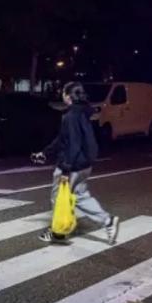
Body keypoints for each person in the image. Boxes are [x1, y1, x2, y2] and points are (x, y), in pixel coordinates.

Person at [32, 82, 120, 244]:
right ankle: (108, 220)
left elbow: (73, 143)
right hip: (84, 164)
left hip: (71, 165)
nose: (62, 95)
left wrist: (65, 169)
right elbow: (63, 139)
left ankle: (57, 232)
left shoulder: (70, 116)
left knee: (58, 197)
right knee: (80, 196)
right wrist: (45, 152)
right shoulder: (83, 112)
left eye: (63, 92)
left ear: (68, 96)